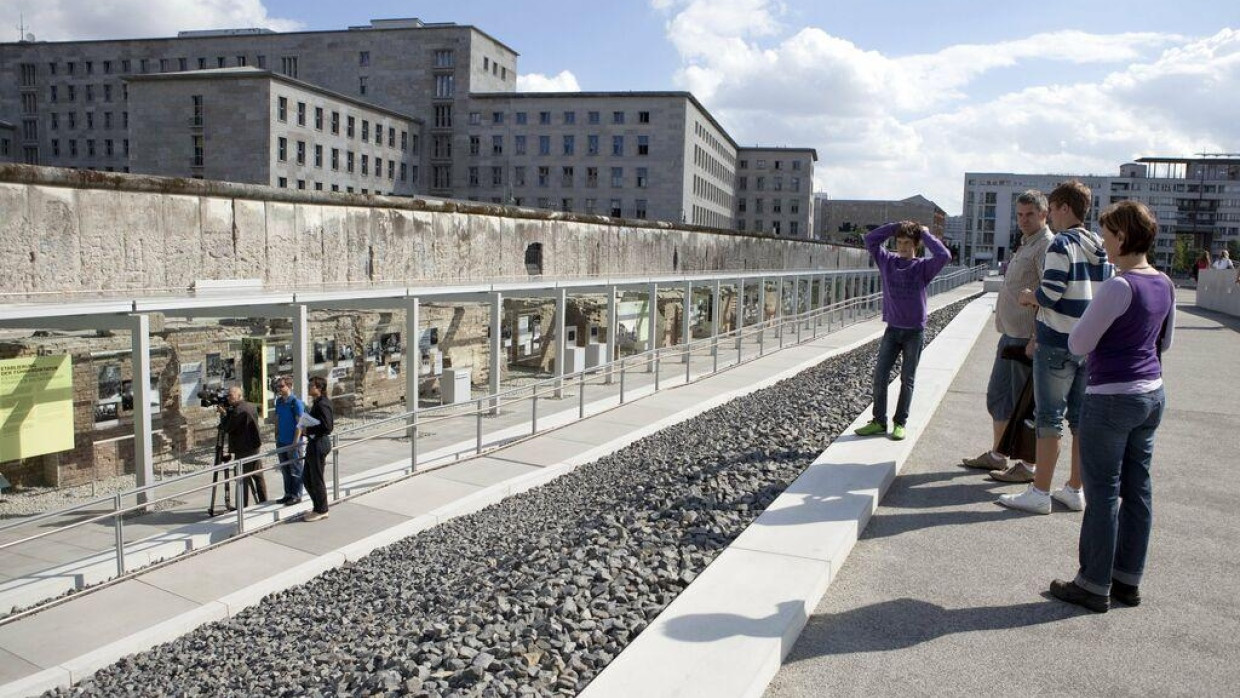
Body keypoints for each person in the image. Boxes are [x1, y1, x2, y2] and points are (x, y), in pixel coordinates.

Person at [1048, 200, 1175, 613]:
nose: (1103, 242)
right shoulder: (1164, 283)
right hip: (1151, 394)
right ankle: (1127, 579)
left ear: (1122, 237)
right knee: (1139, 489)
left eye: (1106, 235)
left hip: (1111, 397)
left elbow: (1078, 343)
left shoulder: (1120, 286)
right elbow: (1164, 343)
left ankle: (1093, 583)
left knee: (1103, 492)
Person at [1003, 180, 1112, 514]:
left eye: (1053, 207)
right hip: (1087, 344)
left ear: (1065, 208)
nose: (1050, 214)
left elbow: (1049, 293)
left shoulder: (1061, 244)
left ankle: (1039, 493)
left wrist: (1027, 297)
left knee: (1049, 418)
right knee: (1080, 420)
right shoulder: (1098, 245)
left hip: (1056, 341)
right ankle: (1074, 489)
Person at [961, 190, 1053, 481]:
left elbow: (1049, 294)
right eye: (1020, 214)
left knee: (1022, 405)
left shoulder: (1045, 246)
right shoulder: (1026, 244)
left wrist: (1036, 337)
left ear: (1044, 214)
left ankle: (1027, 466)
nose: (1023, 220)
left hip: (1026, 338)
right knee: (998, 398)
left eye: (1029, 214)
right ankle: (998, 455)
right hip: (1010, 335)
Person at [853, 220, 952, 440]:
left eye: (907, 243)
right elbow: (869, 240)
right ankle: (879, 421)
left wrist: (925, 234)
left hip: (914, 332)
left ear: (915, 245)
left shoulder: (923, 267)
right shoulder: (887, 261)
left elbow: (944, 256)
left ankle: (900, 423)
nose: (903, 247)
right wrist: (896, 225)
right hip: (892, 330)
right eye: (899, 242)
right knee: (879, 376)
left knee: (906, 379)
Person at [221, 386, 266, 506]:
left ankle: (242, 507)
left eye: (231, 395)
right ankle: (264, 502)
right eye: (228, 395)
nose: (228, 398)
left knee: (242, 478)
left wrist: (223, 415)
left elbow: (227, 428)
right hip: (254, 445)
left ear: (239, 395)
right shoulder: (250, 406)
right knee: (258, 475)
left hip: (244, 448)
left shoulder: (238, 410)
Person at [302, 375, 335, 522]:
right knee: (307, 478)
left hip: (319, 443)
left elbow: (327, 426)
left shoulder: (322, 404)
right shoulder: (318, 402)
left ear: (319, 388)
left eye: (312, 386)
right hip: (314, 443)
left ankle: (322, 509)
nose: (309, 388)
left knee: (316, 478)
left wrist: (308, 430)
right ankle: (318, 506)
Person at [273, 376, 306, 506]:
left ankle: (296, 494)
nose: (279, 389)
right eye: (278, 387)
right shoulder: (279, 402)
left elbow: (300, 424)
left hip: (293, 442)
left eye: (282, 386)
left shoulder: (296, 403)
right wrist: (276, 435)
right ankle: (288, 494)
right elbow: (277, 418)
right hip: (281, 440)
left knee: (296, 469)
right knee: (285, 469)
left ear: (289, 386)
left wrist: (295, 442)